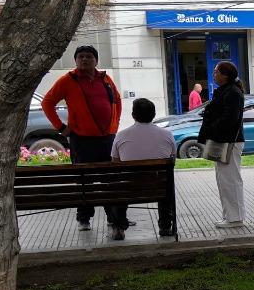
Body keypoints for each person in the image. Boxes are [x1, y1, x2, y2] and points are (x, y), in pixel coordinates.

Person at [42, 45, 127, 235]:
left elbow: (118, 101)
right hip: (82, 140)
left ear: (96, 61)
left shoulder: (105, 79)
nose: (84, 60)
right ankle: (84, 219)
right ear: (75, 61)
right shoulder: (67, 80)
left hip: (108, 138)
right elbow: (47, 102)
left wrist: (115, 123)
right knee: (84, 181)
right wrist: (61, 128)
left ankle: (112, 217)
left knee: (110, 181)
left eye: (89, 56)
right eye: (80, 57)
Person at [112, 98, 179, 238]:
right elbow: (172, 162)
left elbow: (115, 163)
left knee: (117, 185)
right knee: (166, 181)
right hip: (159, 188)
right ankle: (166, 226)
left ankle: (118, 226)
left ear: (133, 115)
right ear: (154, 115)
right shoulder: (167, 134)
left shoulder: (121, 135)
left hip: (129, 187)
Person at [198, 61, 247, 227]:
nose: (213, 75)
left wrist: (211, 129)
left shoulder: (232, 92)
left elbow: (229, 119)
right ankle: (229, 216)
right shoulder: (226, 91)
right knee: (223, 180)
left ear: (225, 75)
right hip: (222, 140)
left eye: (216, 72)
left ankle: (235, 218)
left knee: (230, 180)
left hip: (229, 141)